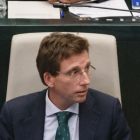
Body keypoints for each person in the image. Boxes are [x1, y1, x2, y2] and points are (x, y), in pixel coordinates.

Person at [0, 32, 132, 140]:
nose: (86, 81)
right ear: (49, 79)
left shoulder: (109, 111)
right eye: (74, 72)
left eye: (86, 68)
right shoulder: (14, 114)